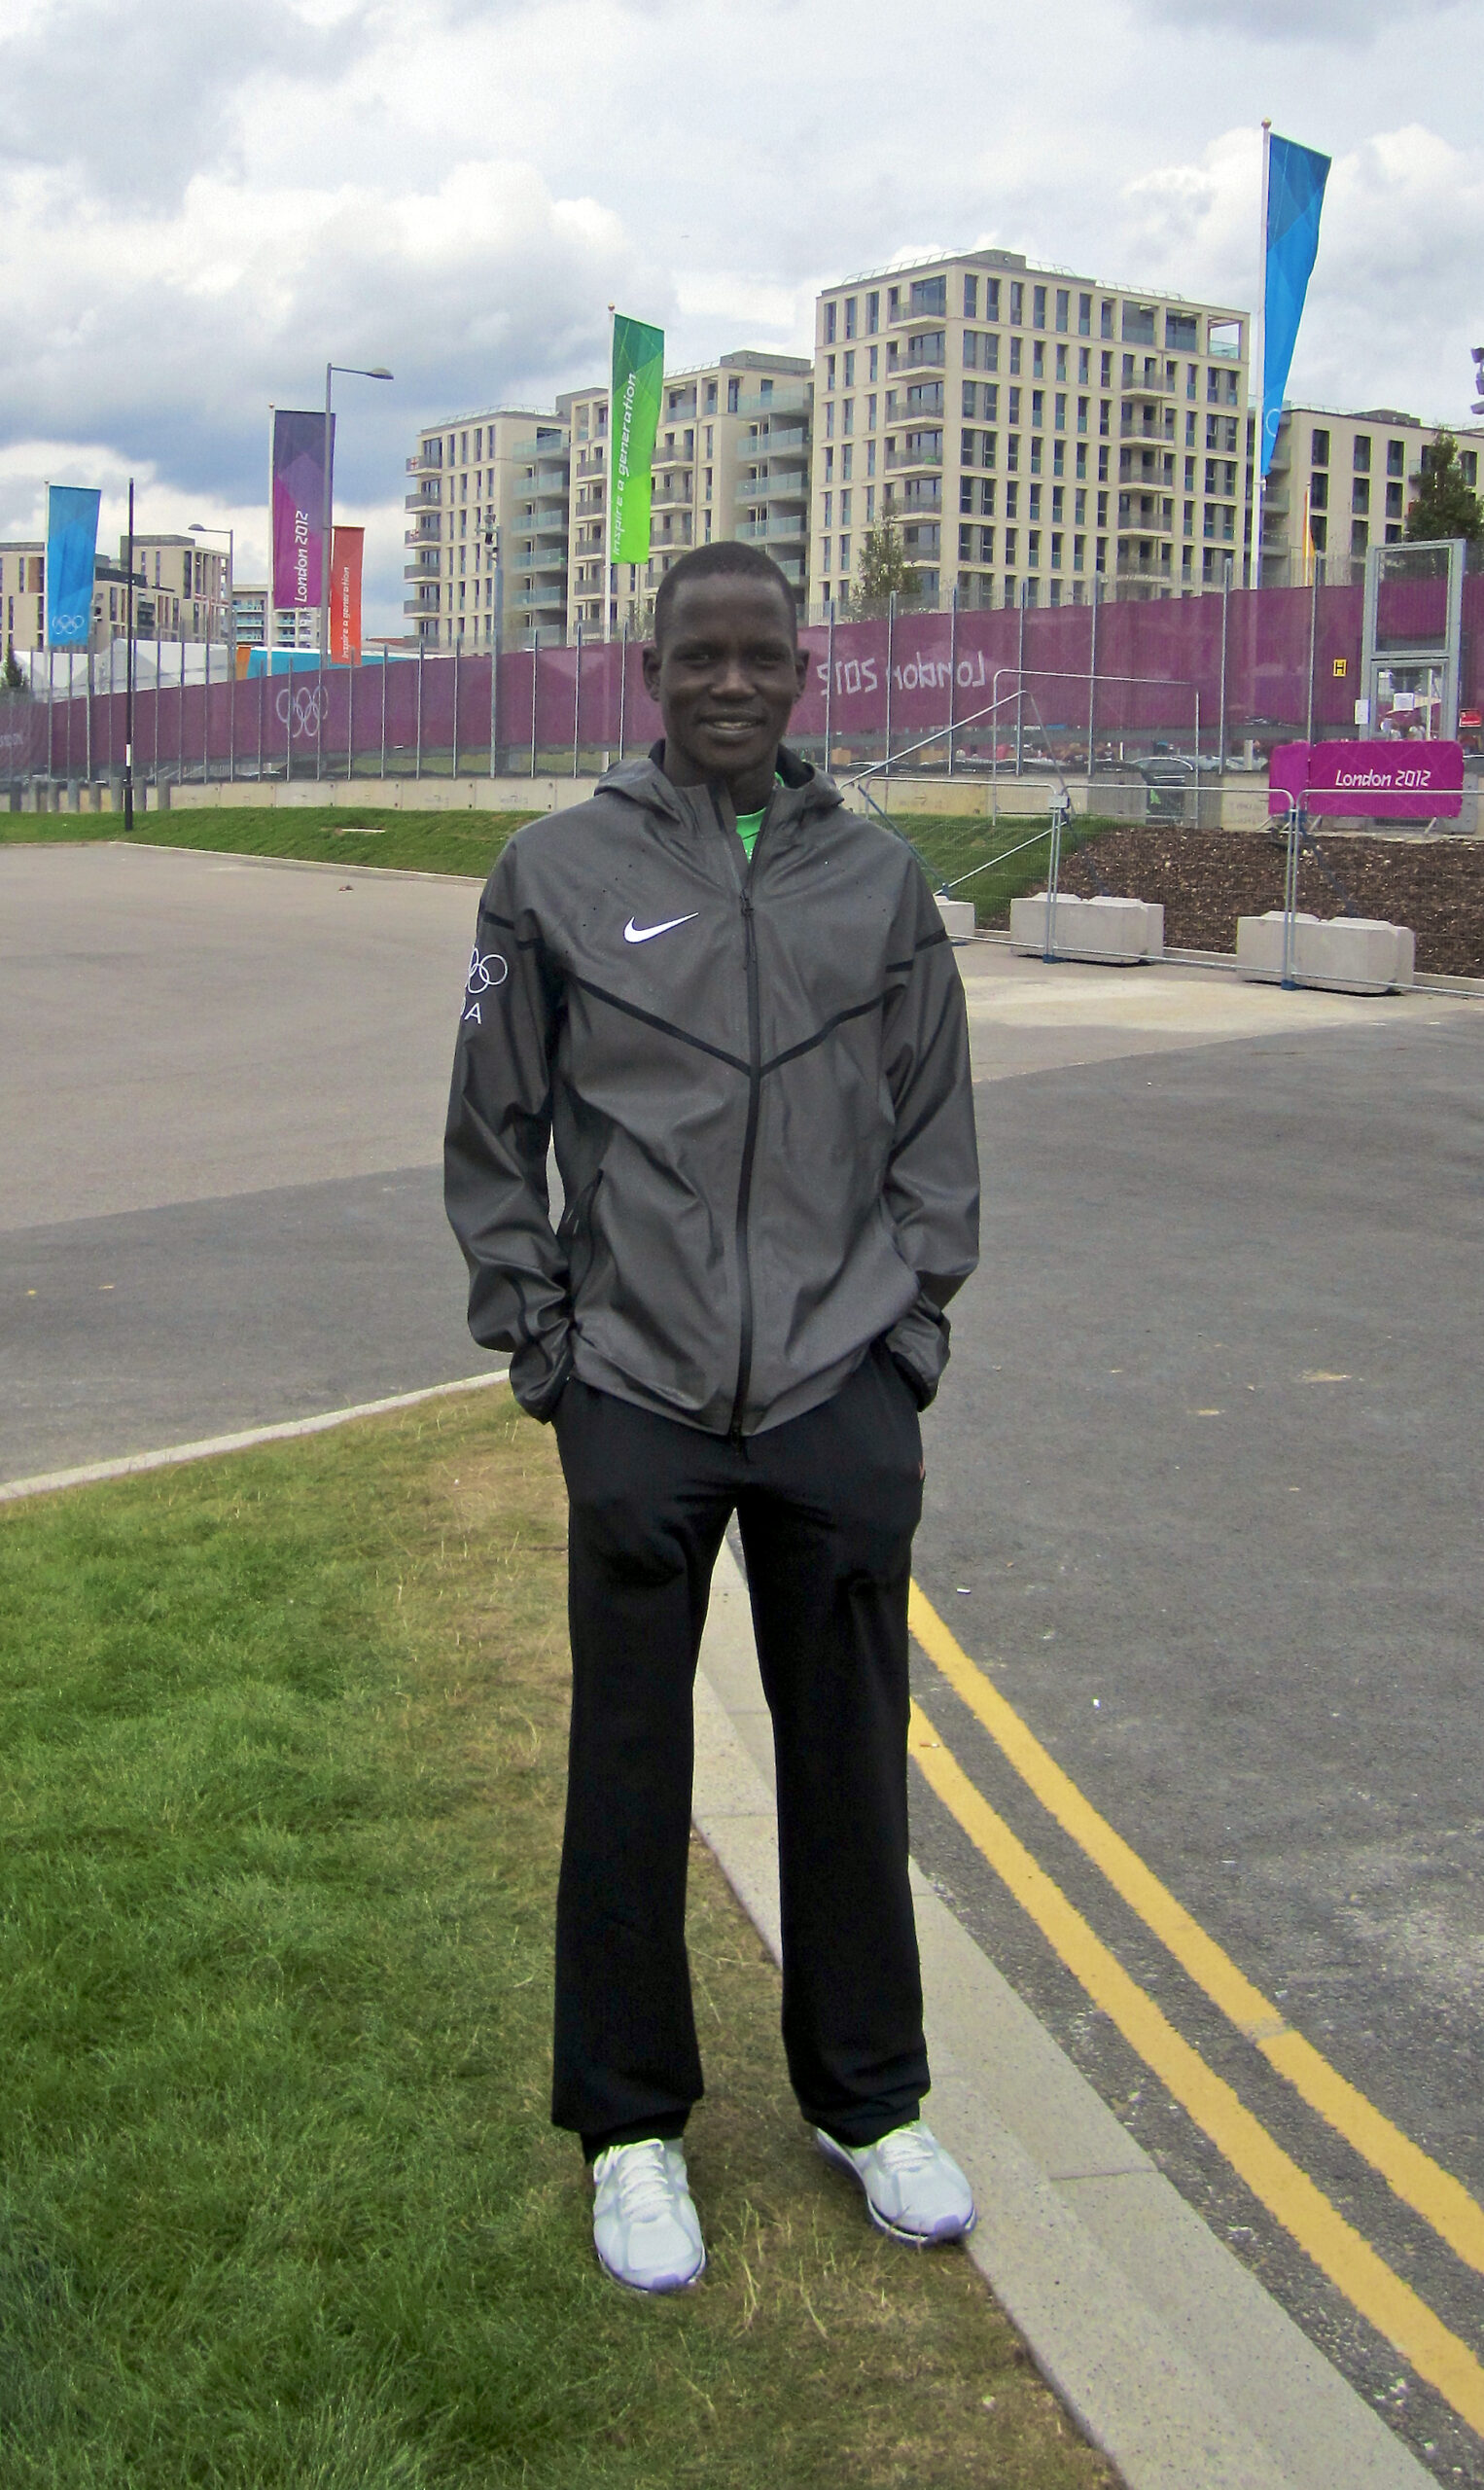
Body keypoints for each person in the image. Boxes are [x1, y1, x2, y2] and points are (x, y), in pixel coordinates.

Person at [445, 541, 980, 2293]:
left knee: (846, 1762)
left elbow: (933, 1133)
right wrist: (543, 1346)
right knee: (625, 1770)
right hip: (640, 1396)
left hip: (837, 1391)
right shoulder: (554, 872)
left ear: (806, 674)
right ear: (647, 670)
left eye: (762, 656)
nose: (731, 683)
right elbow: (492, 1132)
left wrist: (906, 1336)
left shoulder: (880, 882)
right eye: (699, 657)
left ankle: (868, 2097)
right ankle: (630, 2132)